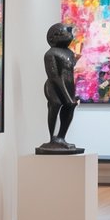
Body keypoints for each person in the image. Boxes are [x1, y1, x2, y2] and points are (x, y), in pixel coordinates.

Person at [38, 22, 83, 154]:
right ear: (54, 37)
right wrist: (66, 95)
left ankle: (61, 137)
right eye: (65, 32)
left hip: (68, 85)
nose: (69, 35)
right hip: (54, 87)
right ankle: (52, 138)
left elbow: (69, 67)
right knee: (55, 106)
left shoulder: (68, 52)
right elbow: (54, 76)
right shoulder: (50, 54)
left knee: (70, 107)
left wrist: (77, 58)